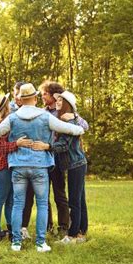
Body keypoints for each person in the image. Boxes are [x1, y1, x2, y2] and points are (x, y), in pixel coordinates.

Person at [0, 83, 84, 252]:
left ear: (21, 99)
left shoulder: (13, 118)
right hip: (40, 166)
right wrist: (78, 128)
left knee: (18, 204)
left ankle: (16, 242)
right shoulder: (44, 116)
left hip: (18, 166)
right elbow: (69, 129)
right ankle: (41, 243)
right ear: (35, 97)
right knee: (42, 204)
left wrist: (8, 138)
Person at [37, 80, 89, 238]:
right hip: (53, 158)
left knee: (69, 197)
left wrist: (47, 146)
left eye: (44, 94)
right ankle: (74, 230)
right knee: (74, 197)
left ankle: (71, 231)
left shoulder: (69, 116)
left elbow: (83, 127)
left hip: (66, 159)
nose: (42, 97)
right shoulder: (43, 113)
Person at [0, 93, 32, 240]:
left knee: (11, 199)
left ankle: (11, 227)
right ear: (5, 105)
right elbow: (2, 147)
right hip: (3, 165)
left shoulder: (9, 119)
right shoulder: (0, 123)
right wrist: (17, 144)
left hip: (12, 164)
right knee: (0, 198)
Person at [10, 81, 35, 240]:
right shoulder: (10, 110)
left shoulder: (37, 112)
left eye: (19, 94)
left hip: (33, 159)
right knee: (17, 198)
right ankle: (15, 230)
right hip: (15, 159)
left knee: (31, 196)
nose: (17, 96)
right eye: (15, 93)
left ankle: (23, 227)